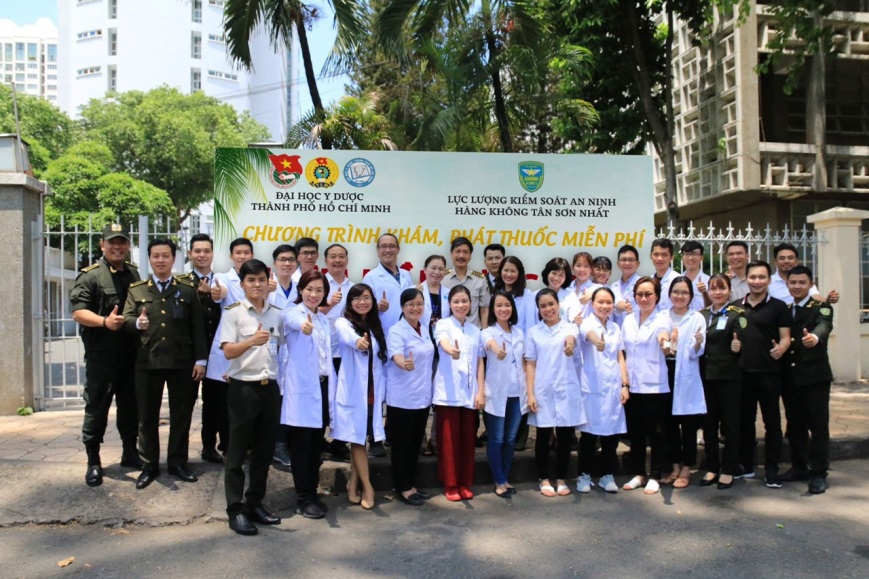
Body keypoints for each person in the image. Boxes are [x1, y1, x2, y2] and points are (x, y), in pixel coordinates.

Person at [123, 238, 207, 490]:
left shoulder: (187, 290)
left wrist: (201, 360)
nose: (160, 260)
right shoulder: (137, 290)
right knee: (147, 416)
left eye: (165, 256)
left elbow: (197, 328)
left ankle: (177, 462)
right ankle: (149, 465)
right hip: (148, 360)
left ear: (174, 259)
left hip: (182, 362)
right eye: (156, 256)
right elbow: (126, 318)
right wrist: (137, 323)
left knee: (181, 415)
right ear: (150, 259)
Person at [70, 224, 142, 487]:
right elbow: (78, 312)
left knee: (130, 405)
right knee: (97, 406)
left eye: (122, 242)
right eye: (112, 242)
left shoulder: (133, 272)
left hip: (130, 353)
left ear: (128, 246)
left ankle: (130, 452)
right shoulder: (91, 276)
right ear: (102, 245)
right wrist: (103, 322)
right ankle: (93, 461)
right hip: (102, 355)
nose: (117, 247)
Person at [218, 259, 284, 536]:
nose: (257, 285)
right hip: (243, 389)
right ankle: (235, 510)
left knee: (264, 451)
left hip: (269, 388)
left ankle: (255, 502)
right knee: (236, 452)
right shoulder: (233, 313)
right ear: (242, 284)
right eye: (251, 280)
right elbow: (228, 351)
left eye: (261, 280)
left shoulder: (276, 314)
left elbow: (281, 349)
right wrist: (250, 342)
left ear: (269, 282)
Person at [280, 270, 335, 519]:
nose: (314, 294)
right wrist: (304, 326)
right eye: (309, 289)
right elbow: (294, 321)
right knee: (302, 446)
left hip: (321, 387)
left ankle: (312, 492)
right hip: (302, 390)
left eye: (319, 290)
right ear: (301, 290)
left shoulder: (322, 319)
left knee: (316, 444)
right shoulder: (293, 313)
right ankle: (302, 498)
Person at [732, 260, 791, 488]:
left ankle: (772, 470)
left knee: (772, 424)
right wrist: (734, 346)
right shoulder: (736, 307)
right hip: (743, 374)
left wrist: (782, 348)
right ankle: (746, 465)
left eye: (762, 277)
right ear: (746, 279)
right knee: (745, 423)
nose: (757, 281)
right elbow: (730, 337)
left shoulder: (779, 307)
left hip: (770, 374)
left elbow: (785, 337)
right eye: (753, 277)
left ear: (768, 280)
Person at [332, 283, 387, 510]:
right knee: (357, 438)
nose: (361, 302)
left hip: (372, 391)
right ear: (350, 302)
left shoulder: (375, 324)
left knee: (361, 436)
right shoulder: (343, 322)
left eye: (366, 298)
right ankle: (368, 487)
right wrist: (358, 342)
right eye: (356, 298)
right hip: (355, 391)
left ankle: (353, 483)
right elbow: (347, 337)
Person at [782, 265, 834, 494]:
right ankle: (799, 466)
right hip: (791, 377)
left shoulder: (821, 307)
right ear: (787, 284)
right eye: (793, 282)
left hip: (814, 377)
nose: (797, 286)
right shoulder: (786, 310)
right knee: (795, 425)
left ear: (811, 284)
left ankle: (819, 472)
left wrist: (814, 337)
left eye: (802, 282)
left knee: (818, 425)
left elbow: (824, 325)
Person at [525, 288, 581, 497]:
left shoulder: (570, 327)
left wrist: (569, 345)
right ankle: (544, 478)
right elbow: (530, 364)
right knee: (543, 435)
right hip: (543, 390)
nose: (548, 309)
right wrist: (531, 393)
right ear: (538, 309)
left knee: (565, 436)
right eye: (543, 306)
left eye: (551, 304)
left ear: (558, 304)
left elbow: (571, 339)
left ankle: (561, 479)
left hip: (565, 388)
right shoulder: (534, 332)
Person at [177, 233, 226, 464]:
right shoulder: (181, 283)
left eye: (206, 251)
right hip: (190, 354)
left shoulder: (222, 282)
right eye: (197, 251)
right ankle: (179, 455)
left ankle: (210, 447)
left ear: (213, 254)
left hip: (217, 353)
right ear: (190, 254)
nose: (202, 255)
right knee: (184, 405)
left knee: (215, 404)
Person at [433, 285, 485, 501]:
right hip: (448, 393)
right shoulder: (443, 325)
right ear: (450, 304)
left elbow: (480, 362)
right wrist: (450, 350)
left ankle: (465, 482)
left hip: (470, 393)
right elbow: (443, 342)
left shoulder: (476, 331)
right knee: (449, 442)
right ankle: (451, 483)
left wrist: (481, 391)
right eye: (456, 301)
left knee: (467, 441)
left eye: (464, 301)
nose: (460, 305)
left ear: (470, 304)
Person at [621, 276, 671, 494]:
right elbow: (622, 352)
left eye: (648, 294)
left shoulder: (663, 319)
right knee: (636, 433)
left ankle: (656, 474)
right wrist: (624, 382)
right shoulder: (628, 320)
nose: (644, 298)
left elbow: (663, 335)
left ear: (657, 296)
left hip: (654, 387)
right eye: (640, 294)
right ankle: (639, 473)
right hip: (632, 385)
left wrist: (665, 343)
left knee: (656, 432)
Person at [577, 287, 629, 494]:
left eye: (608, 302)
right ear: (592, 304)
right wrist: (597, 341)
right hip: (593, 387)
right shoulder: (586, 323)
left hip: (614, 386)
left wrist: (625, 384)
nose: (604, 306)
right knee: (589, 435)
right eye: (600, 302)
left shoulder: (615, 327)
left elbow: (620, 356)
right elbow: (588, 335)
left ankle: (607, 475)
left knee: (611, 435)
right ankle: (584, 475)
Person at [386, 288, 436, 506]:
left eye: (419, 304)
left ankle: (411, 484)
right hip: (402, 398)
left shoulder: (424, 328)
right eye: (410, 304)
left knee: (415, 443)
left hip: (422, 396)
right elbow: (396, 354)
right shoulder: (397, 331)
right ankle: (403, 487)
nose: (415, 308)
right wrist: (402, 362)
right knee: (402, 445)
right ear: (402, 307)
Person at [478, 291, 528, 498]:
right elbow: (490, 344)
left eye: (507, 305)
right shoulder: (487, 332)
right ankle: (498, 480)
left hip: (518, 393)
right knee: (497, 438)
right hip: (497, 393)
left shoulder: (519, 333)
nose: (503, 309)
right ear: (493, 309)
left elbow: (524, 362)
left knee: (510, 439)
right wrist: (497, 349)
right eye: (498, 305)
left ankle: (505, 477)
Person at [699, 273, 746, 490]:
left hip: (729, 378)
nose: (717, 292)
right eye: (713, 288)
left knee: (730, 425)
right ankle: (712, 467)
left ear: (729, 291)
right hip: (706, 378)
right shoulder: (702, 315)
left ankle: (728, 469)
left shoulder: (737, 314)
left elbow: (743, 338)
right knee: (709, 425)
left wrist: (739, 345)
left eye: (722, 288)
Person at [661, 276, 707, 489]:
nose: (679, 296)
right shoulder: (663, 316)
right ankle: (675, 466)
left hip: (687, 373)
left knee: (688, 425)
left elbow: (697, 351)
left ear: (691, 296)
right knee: (669, 424)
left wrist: (696, 344)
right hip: (666, 372)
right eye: (676, 292)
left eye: (684, 292)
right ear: (669, 294)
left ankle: (687, 468)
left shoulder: (697, 318)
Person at [205, 238, 256, 411]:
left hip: (252, 342)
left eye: (246, 253)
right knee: (223, 403)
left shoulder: (260, 279)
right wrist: (218, 292)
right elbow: (220, 290)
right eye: (238, 253)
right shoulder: (222, 278)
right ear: (231, 256)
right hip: (229, 340)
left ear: (252, 255)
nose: (242, 256)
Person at [267, 244, 298, 468]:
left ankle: (284, 443)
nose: (287, 263)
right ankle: (274, 445)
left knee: (290, 397)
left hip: (294, 350)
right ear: (274, 263)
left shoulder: (301, 288)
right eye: (282, 260)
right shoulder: (267, 287)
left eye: (290, 260)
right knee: (273, 398)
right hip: (271, 348)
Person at [419, 254, 450, 457]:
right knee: (422, 395)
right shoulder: (415, 291)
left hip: (442, 352)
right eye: (433, 268)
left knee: (440, 397)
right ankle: (421, 439)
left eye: (441, 269)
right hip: (422, 351)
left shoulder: (449, 293)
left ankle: (436, 438)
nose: (437, 272)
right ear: (425, 269)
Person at [363, 233, 414, 333]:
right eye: (383, 246)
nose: (387, 250)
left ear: (398, 249)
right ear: (378, 251)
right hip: (384, 331)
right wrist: (377, 307)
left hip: (408, 331)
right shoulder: (370, 277)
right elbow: (362, 309)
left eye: (392, 246)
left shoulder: (406, 275)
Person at [442, 236, 491, 328]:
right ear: (451, 254)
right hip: (448, 332)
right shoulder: (442, 278)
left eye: (465, 252)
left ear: (470, 256)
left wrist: (484, 331)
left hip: (473, 331)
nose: (461, 256)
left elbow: (484, 308)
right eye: (458, 251)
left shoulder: (480, 279)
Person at [769, 243, 839, 305]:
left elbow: (816, 298)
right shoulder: (768, 282)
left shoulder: (804, 280)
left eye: (790, 258)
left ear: (796, 261)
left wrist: (828, 300)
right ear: (775, 262)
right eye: (782, 258)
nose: (786, 261)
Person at [494, 256, 537, 332]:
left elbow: (530, 323)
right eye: (506, 270)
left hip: (522, 338)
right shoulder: (496, 294)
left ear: (519, 273)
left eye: (513, 271)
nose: (508, 274)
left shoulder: (527, 294)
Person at [562, 252, 600, 326]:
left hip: (590, 330)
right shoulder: (565, 289)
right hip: (567, 330)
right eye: (578, 265)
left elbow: (606, 296)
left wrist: (594, 295)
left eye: (586, 266)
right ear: (572, 267)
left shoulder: (597, 288)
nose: (582, 269)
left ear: (591, 269)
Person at [611, 244, 641, 327]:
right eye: (623, 260)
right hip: (616, 329)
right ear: (618, 263)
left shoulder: (642, 285)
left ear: (637, 264)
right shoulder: (614, 286)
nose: (627, 263)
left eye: (631, 260)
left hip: (636, 327)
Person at [679, 241, 710, 312]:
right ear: (682, 257)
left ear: (701, 257)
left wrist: (704, 293)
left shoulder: (708, 281)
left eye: (694, 254)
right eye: (687, 254)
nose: (690, 258)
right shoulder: (676, 280)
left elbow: (713, 307)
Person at [650, 238, 678, 311]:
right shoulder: (649, 281)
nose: (659, 258)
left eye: (664, 255)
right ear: (650, 256)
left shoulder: (678, 280)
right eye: (656, 254)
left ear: (671, 258)